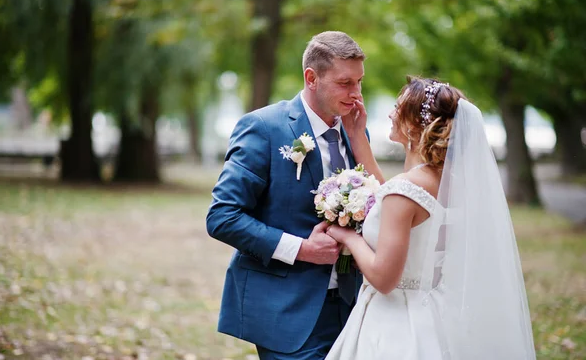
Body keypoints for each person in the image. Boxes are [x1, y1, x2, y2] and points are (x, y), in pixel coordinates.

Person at [325, 76, 536, 359]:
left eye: (397, 107)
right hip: (435, 314)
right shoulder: (454, 184)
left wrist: (347, 236)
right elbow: (394, 197)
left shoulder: (406, 190)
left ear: (415, 124)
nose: (390, 113)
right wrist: (357, 138)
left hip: (395, 323)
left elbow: (384, 278)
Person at [206, 31, 366, 359]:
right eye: (345, 83)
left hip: (353, 309)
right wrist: (303, 249)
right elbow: (222, 216)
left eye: (360, 82)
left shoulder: (355, 130)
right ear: (312, 78)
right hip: (287, 310)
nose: (356, 94)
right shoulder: (264, 128)